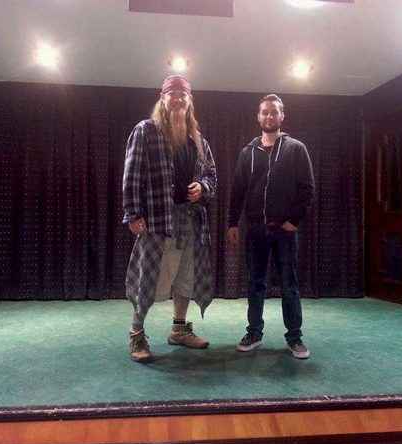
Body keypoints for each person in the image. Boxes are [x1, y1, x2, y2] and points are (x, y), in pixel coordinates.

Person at [123, 75, 217, 363]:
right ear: (162, 98)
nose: (177, 98)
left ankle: (179, 329)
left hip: (190, 218)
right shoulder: (146, 130)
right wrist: (133, 213)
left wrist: (203, 188)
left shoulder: (198, 139)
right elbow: (132, 174)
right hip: (157, 219)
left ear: (190, 100)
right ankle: (137, 333)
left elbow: (211, 174)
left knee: (186, 275)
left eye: (182, 94)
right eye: (172, 93)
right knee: (149, 276)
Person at [227, 94, 315, 359]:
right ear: (258, 116)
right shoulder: (247, 152)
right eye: (264, 112)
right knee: (255, 283)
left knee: (289, 284)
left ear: (282, 116)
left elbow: (307, 189)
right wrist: (232, 223)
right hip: (255, 231)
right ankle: (254, 333)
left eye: (274, 112)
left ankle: (295, 338)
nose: (269, 116)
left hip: (284, 231)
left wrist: (294, 221)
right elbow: (238, 190)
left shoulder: (296, 149)